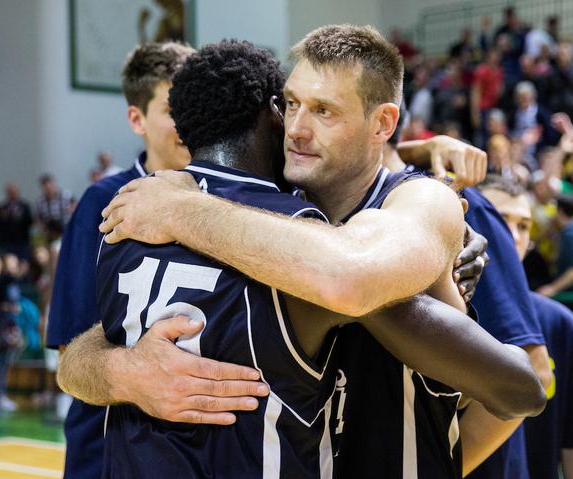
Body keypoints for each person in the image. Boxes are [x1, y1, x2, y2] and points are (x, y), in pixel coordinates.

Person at [61, 25, 545, 477]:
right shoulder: (269, 213)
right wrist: (122, 369)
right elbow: (81, 350)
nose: (296, 128)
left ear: (383, 124)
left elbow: (518, 386)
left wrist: (182, 209)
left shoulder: (423, 200)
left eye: (324, 110)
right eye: (291, 104)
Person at [46, 42, 266, 479]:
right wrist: (132, 374)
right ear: (137, 119)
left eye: (195, 104)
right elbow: (72, 355)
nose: (188, 119)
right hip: (109, 451)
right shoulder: (102, 202)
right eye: (172, 108)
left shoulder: (242, 201)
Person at [478, 175, 573, 479]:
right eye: (496, 220)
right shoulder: (435, 313)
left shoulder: (560, 324)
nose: (512, 235)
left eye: (523, 225)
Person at [0, 182, 32, 260]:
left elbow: (30, 222)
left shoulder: (25, 206)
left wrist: (20, 217)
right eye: (10, 192)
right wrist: (2, 217)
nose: (12, 194)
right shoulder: (1, 207)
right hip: (5, 243)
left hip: (21, 242)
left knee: (23, 264)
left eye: (14, 192)